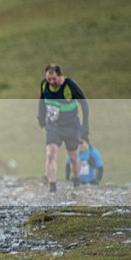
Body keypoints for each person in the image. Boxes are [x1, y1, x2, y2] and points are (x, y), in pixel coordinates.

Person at [37, 63, 89, 193]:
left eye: (54, 79)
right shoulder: (44, 84)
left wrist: (85, 125)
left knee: (73, 157)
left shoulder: (69, 85)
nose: (51, 82)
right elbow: (42, 100)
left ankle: (76, 182)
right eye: (49, 79)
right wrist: (41, 117)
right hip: (53, 126)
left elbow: (84, 103)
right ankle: (52, 187)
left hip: (71, 126)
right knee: (51, 153)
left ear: (60, 76)